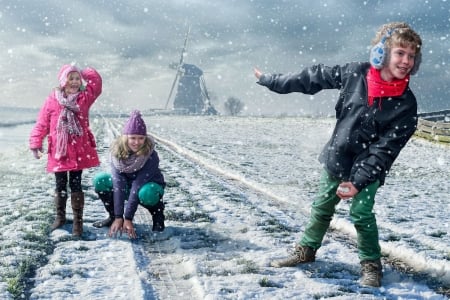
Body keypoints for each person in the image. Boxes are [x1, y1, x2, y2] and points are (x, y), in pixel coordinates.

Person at [254, 22, 422, 288]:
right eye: (400, 53)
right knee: (321, 208)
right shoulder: (355, 73)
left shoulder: (406, 105)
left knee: (362, 213)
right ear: (382, 52)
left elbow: (384, 151)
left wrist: (357, 181)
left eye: (412, 56)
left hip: (369, 169)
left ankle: (371, 265)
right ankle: (306, 251)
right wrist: (273, 81)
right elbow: (313, 77)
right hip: (337, 157)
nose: (406, 61)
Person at [29, 64, 102, 237]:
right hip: (59, 152)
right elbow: (43, 123)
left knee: (76, 184)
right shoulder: (52, 100)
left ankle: (78, 222)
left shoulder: (83, 98)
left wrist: (84, 70)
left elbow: (96, 84)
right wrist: (35, 142)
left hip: (77, 150)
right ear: (63, 81)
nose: (75, 82)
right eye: (71, 78)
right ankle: (60, 217)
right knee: (60, 184)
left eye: (78, 79)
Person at [92, 110, 166, 239]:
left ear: (145, 138)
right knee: (101, 180)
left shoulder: (150, 155)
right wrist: (119, 216)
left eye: (141, 138)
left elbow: (138, 185)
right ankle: (112, 216)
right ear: (125, 137)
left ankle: (158, 215)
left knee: (146, 193)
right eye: (133, 138)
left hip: (148, 186)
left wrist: (128, 218)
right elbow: (118, 184)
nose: (137, 142)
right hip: (127, 186)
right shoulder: (117, 154)